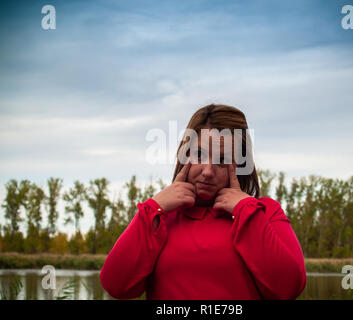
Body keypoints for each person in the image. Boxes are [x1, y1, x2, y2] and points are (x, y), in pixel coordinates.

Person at [99, 104, 307, 300]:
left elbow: (288, 288)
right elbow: (116, 285)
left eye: (222, 160)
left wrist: (245, 210)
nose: (207, 172)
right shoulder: (160, 217)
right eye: (200, 154)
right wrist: (152, 209)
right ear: (185, 154)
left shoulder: (264, 213)